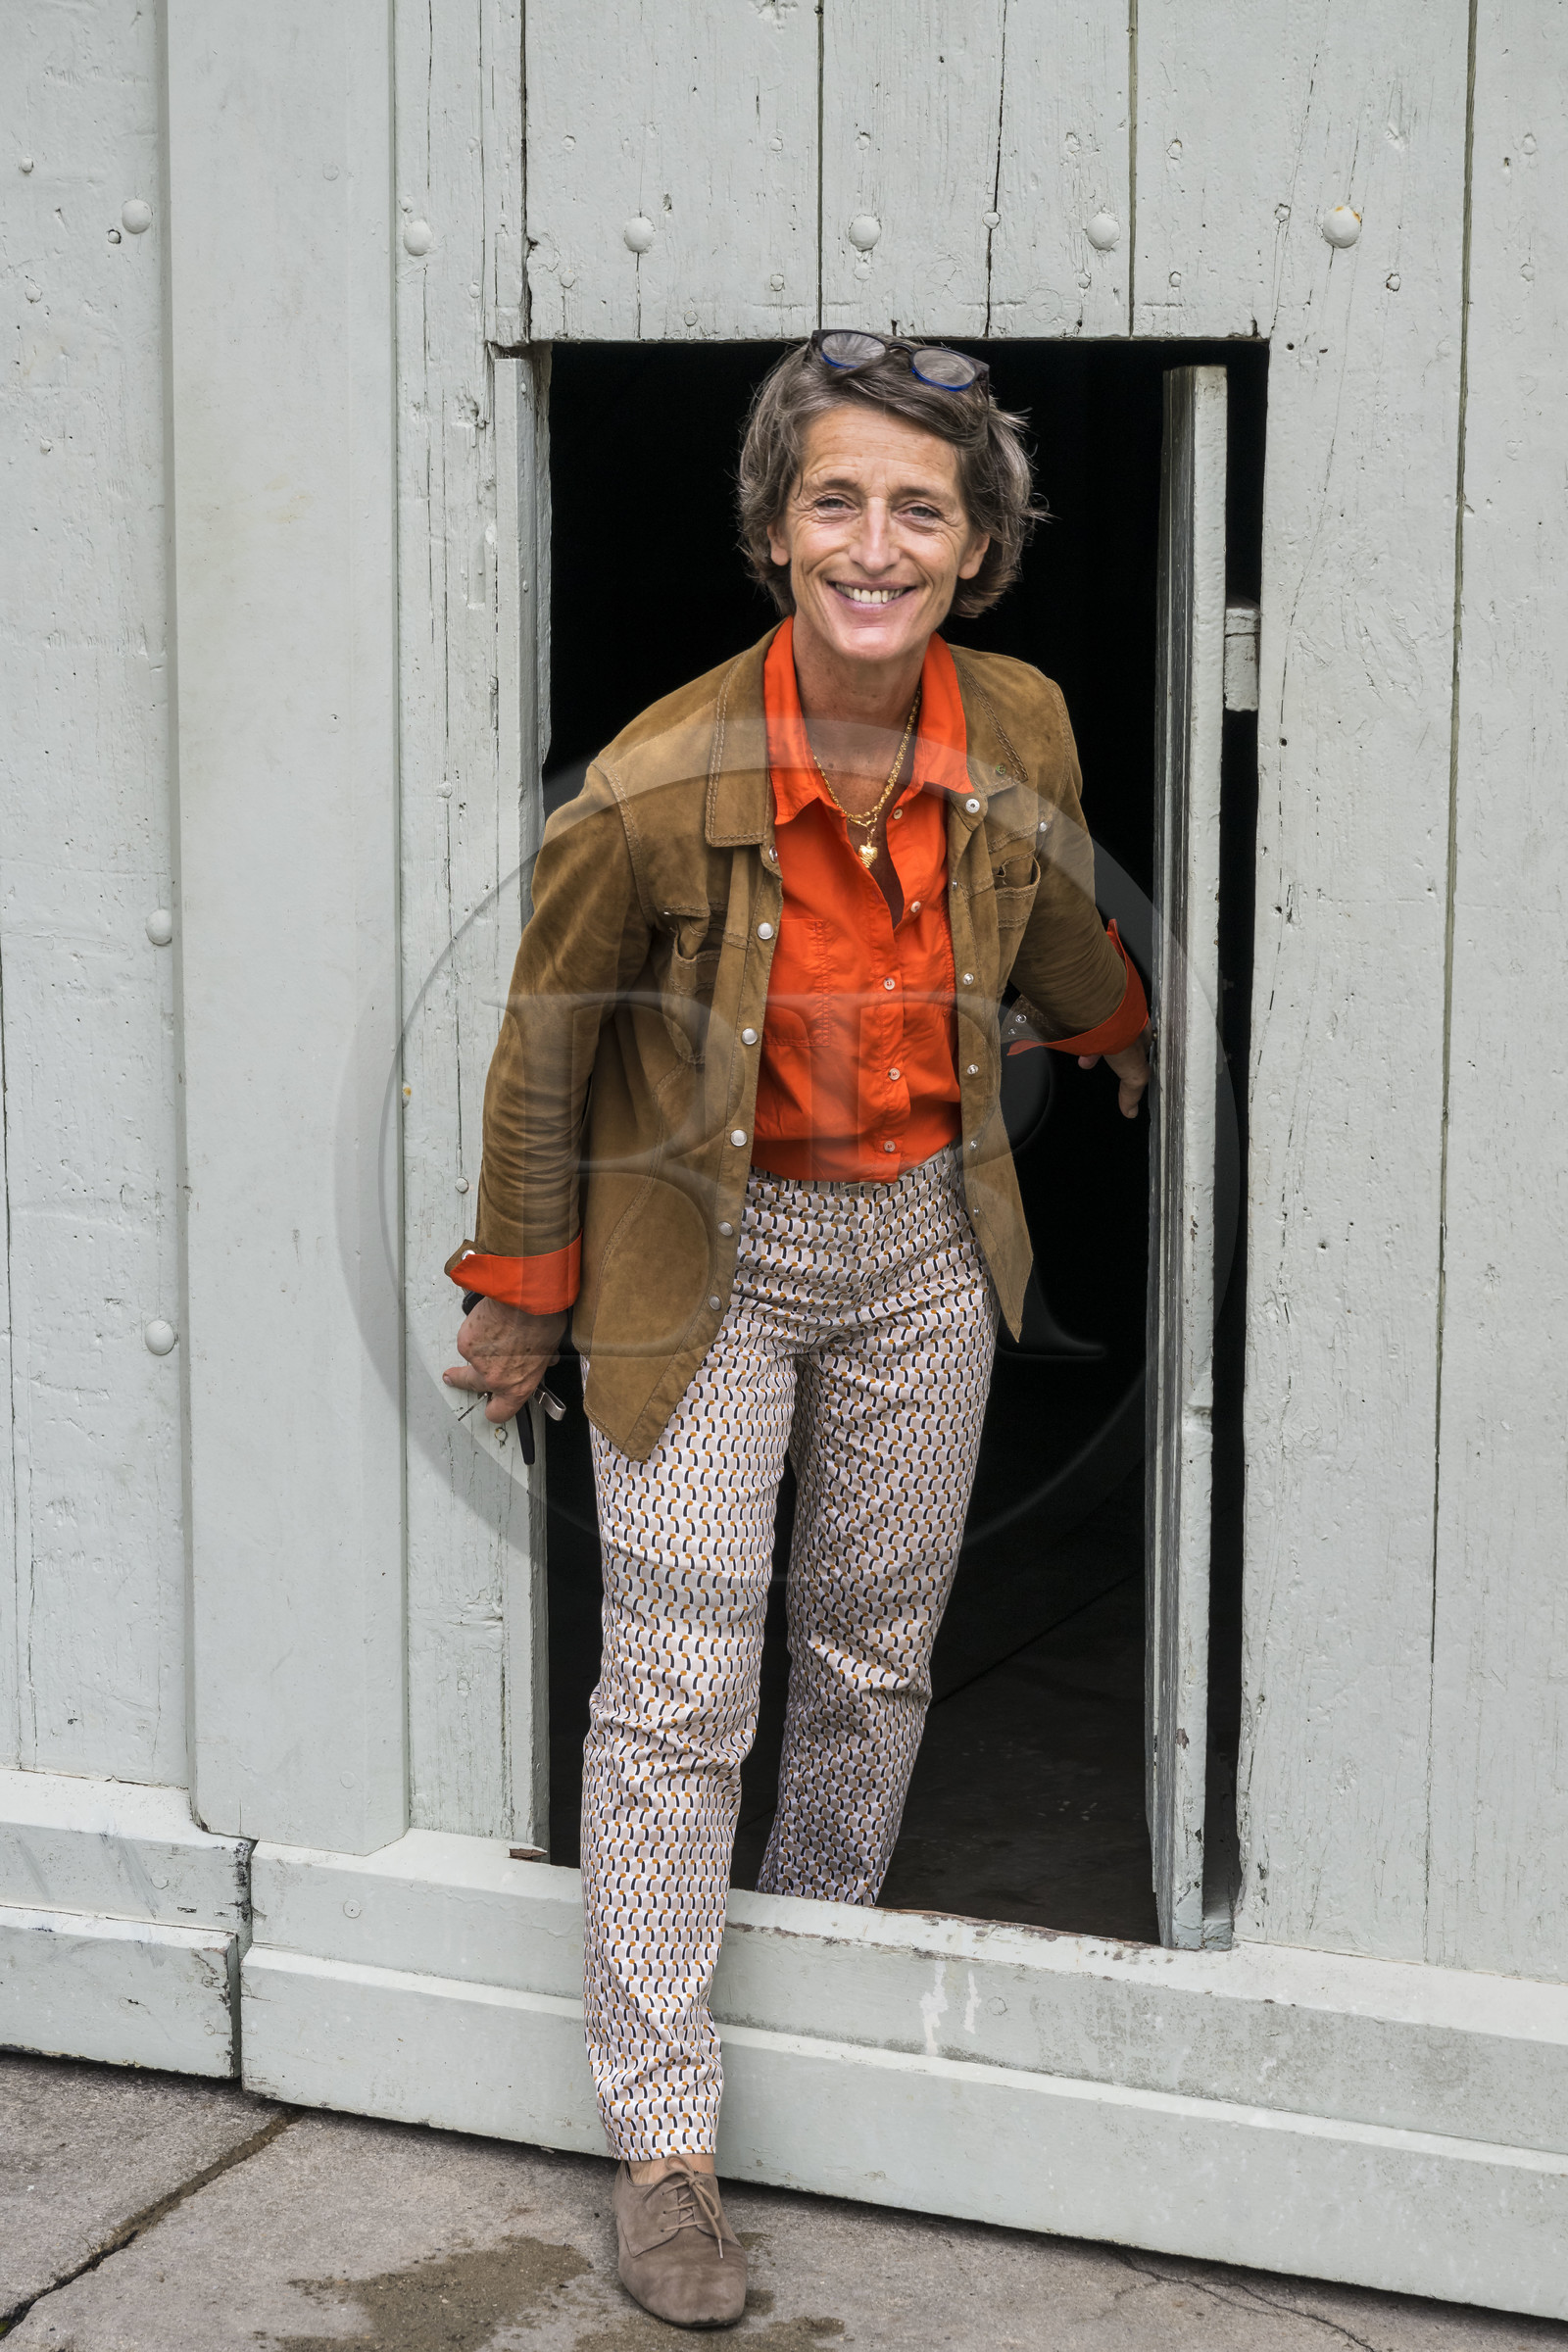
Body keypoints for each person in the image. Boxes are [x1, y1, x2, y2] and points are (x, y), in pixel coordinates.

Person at [443, 330, 1151, 2329]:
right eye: (832, 499)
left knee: (867, 1651)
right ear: (772, 532)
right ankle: (663, 2142)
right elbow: (534, 1055)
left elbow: (1053, 907)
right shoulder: (658, 779)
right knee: (673, 1699)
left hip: (926, 1245)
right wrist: (518, 1299)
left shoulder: (1014, 713)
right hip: (707, 1265)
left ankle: (817, 1989)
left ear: (975, 546)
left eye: (919, 507)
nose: (874, 540)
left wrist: (1110, 1025)